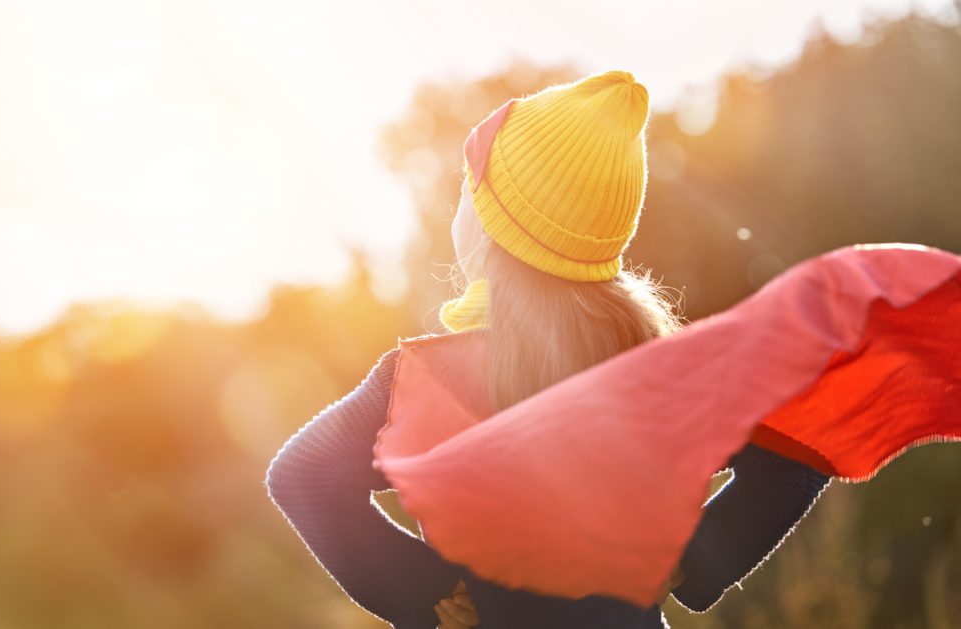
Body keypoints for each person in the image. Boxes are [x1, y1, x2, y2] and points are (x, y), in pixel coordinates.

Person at [266, 71, 831, 629]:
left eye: (468, 189)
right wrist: (691, 561)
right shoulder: (662, 374)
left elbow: (302, 475)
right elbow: (798, 450)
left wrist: (420, 583)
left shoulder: (424, 381)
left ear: (491, 226)